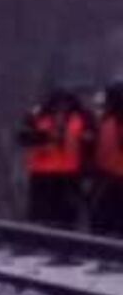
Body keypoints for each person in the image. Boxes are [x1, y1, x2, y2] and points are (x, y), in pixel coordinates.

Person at [19, 89, 92, 228]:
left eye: (65, 103)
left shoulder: (83, 118)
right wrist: (44, 137)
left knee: (65, 221)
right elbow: (23, 137)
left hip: (69, 177)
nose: (62, 108)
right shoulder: (37, 116)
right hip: (42, 176)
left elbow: (91, 144)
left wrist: (88, 170)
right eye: (58, 104)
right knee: (40, 219)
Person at [94, 84, 123, 236]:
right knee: (104, 219)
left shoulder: (108, 121)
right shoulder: (106, 121)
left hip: (113, 177)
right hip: (107, 176)